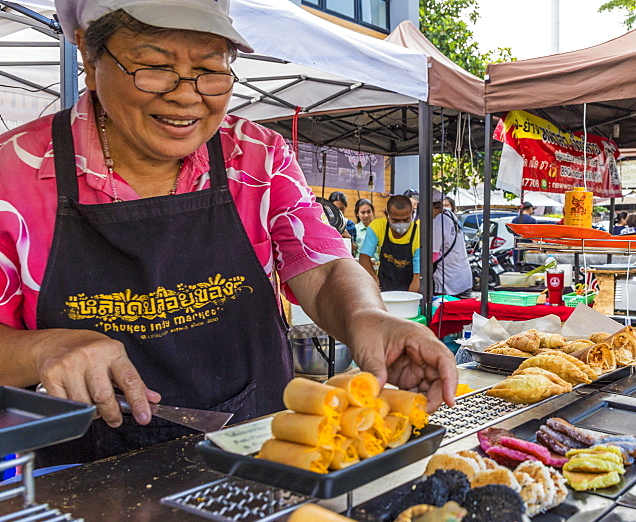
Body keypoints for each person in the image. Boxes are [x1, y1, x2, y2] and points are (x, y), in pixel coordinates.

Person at [0, 0, 455, 466]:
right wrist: (43, 348)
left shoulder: (259, 155)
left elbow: (322, 267)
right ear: (89, 59)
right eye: (155, 66)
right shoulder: (11, 172)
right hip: (85, 481)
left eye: (210, 69)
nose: (185, 95)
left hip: (259, 456)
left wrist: (367, 316)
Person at [358, 195, 421, 293]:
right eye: (396, 220)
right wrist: (374, 281)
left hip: (410, 286)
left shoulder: (419, 233)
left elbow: (417, 277)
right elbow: (364, 256)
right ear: (386, 214)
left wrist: (409, 300)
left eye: (405, 220)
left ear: (412, 214)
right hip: (384, 286)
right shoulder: (377, 227)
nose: (401, 224)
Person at [427, 190, 473, 297]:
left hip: (448, 281)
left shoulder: (438, 222)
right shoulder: (450, 215)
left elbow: (432, 257)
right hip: (462, 277)